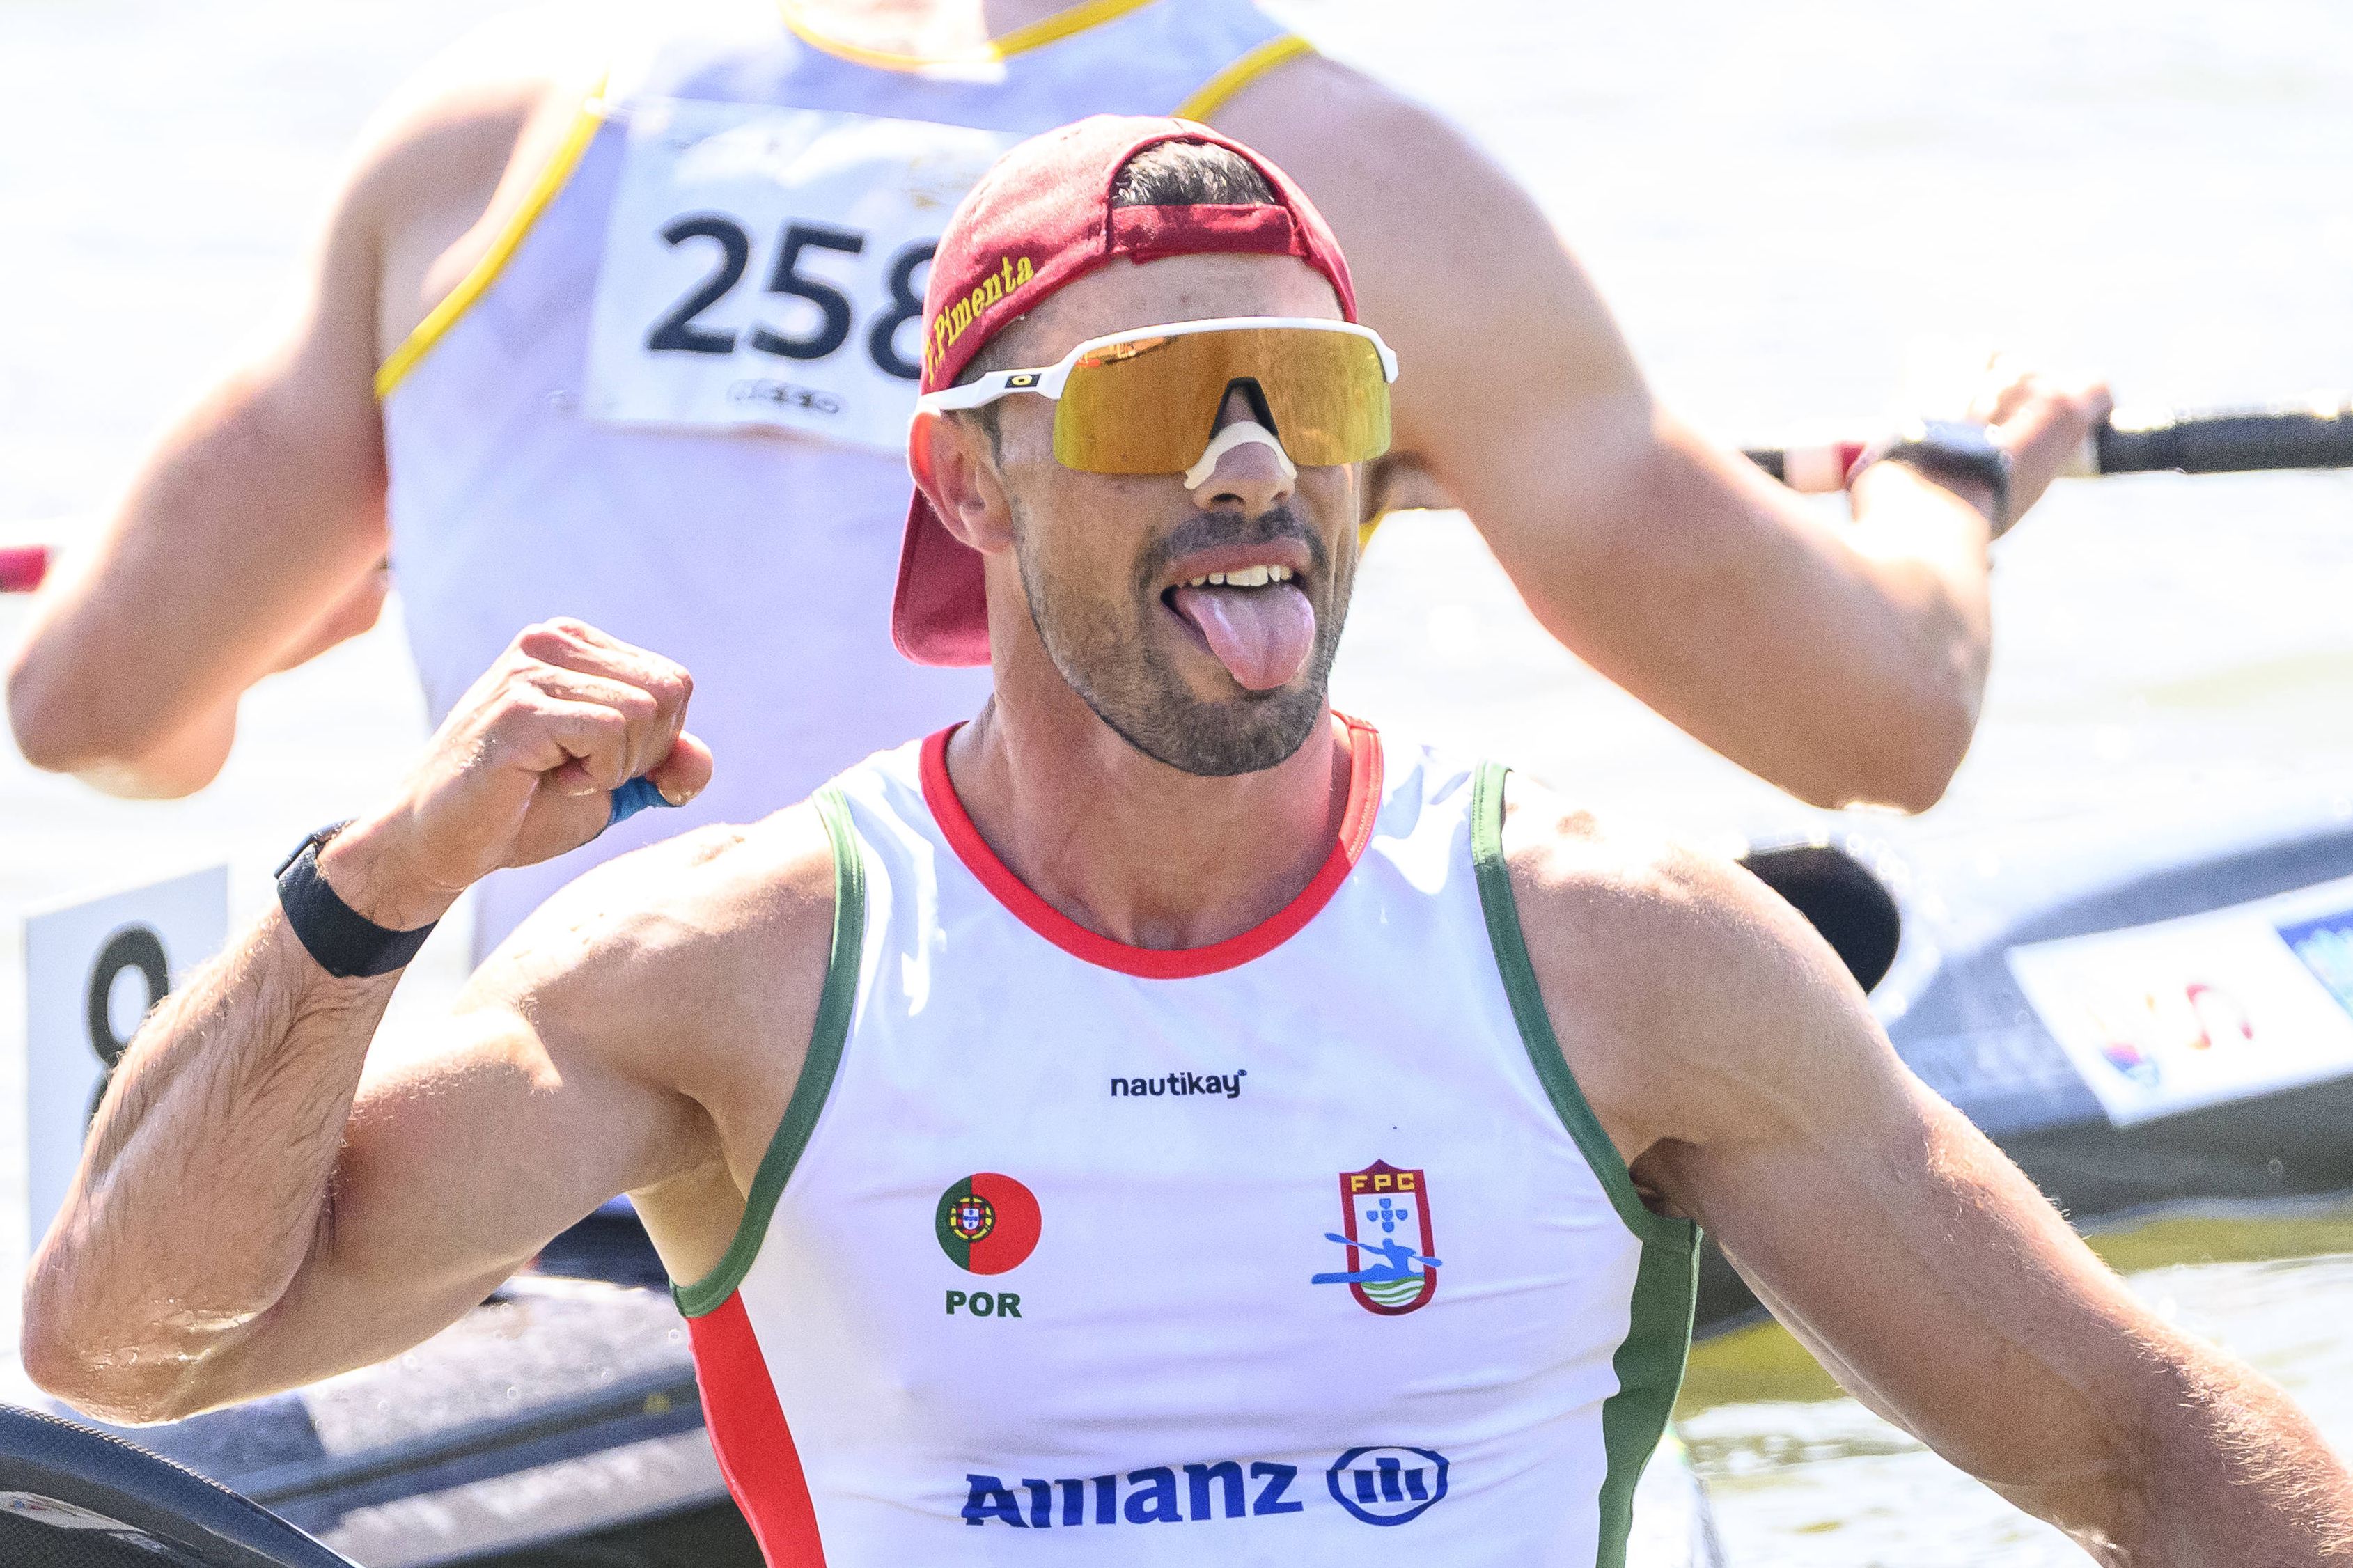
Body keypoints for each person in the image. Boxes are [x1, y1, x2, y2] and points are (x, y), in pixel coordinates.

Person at [22, 120, 2345, 1567]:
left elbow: (2148, 1448)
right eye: (1154, 398)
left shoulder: (1629, 953)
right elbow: (123, 1354)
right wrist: (377, 887)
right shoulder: (738, 966)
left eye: (1308, 395)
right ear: (964, 479)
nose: (1249, 462)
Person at [5, 0, 2109, 962]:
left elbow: (98, 709)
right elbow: (1874, 721)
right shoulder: (1335, 180)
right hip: (1050, 1179)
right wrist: (1943, 485)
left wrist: (323, 591)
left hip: (560, 1162)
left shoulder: (481, 137)